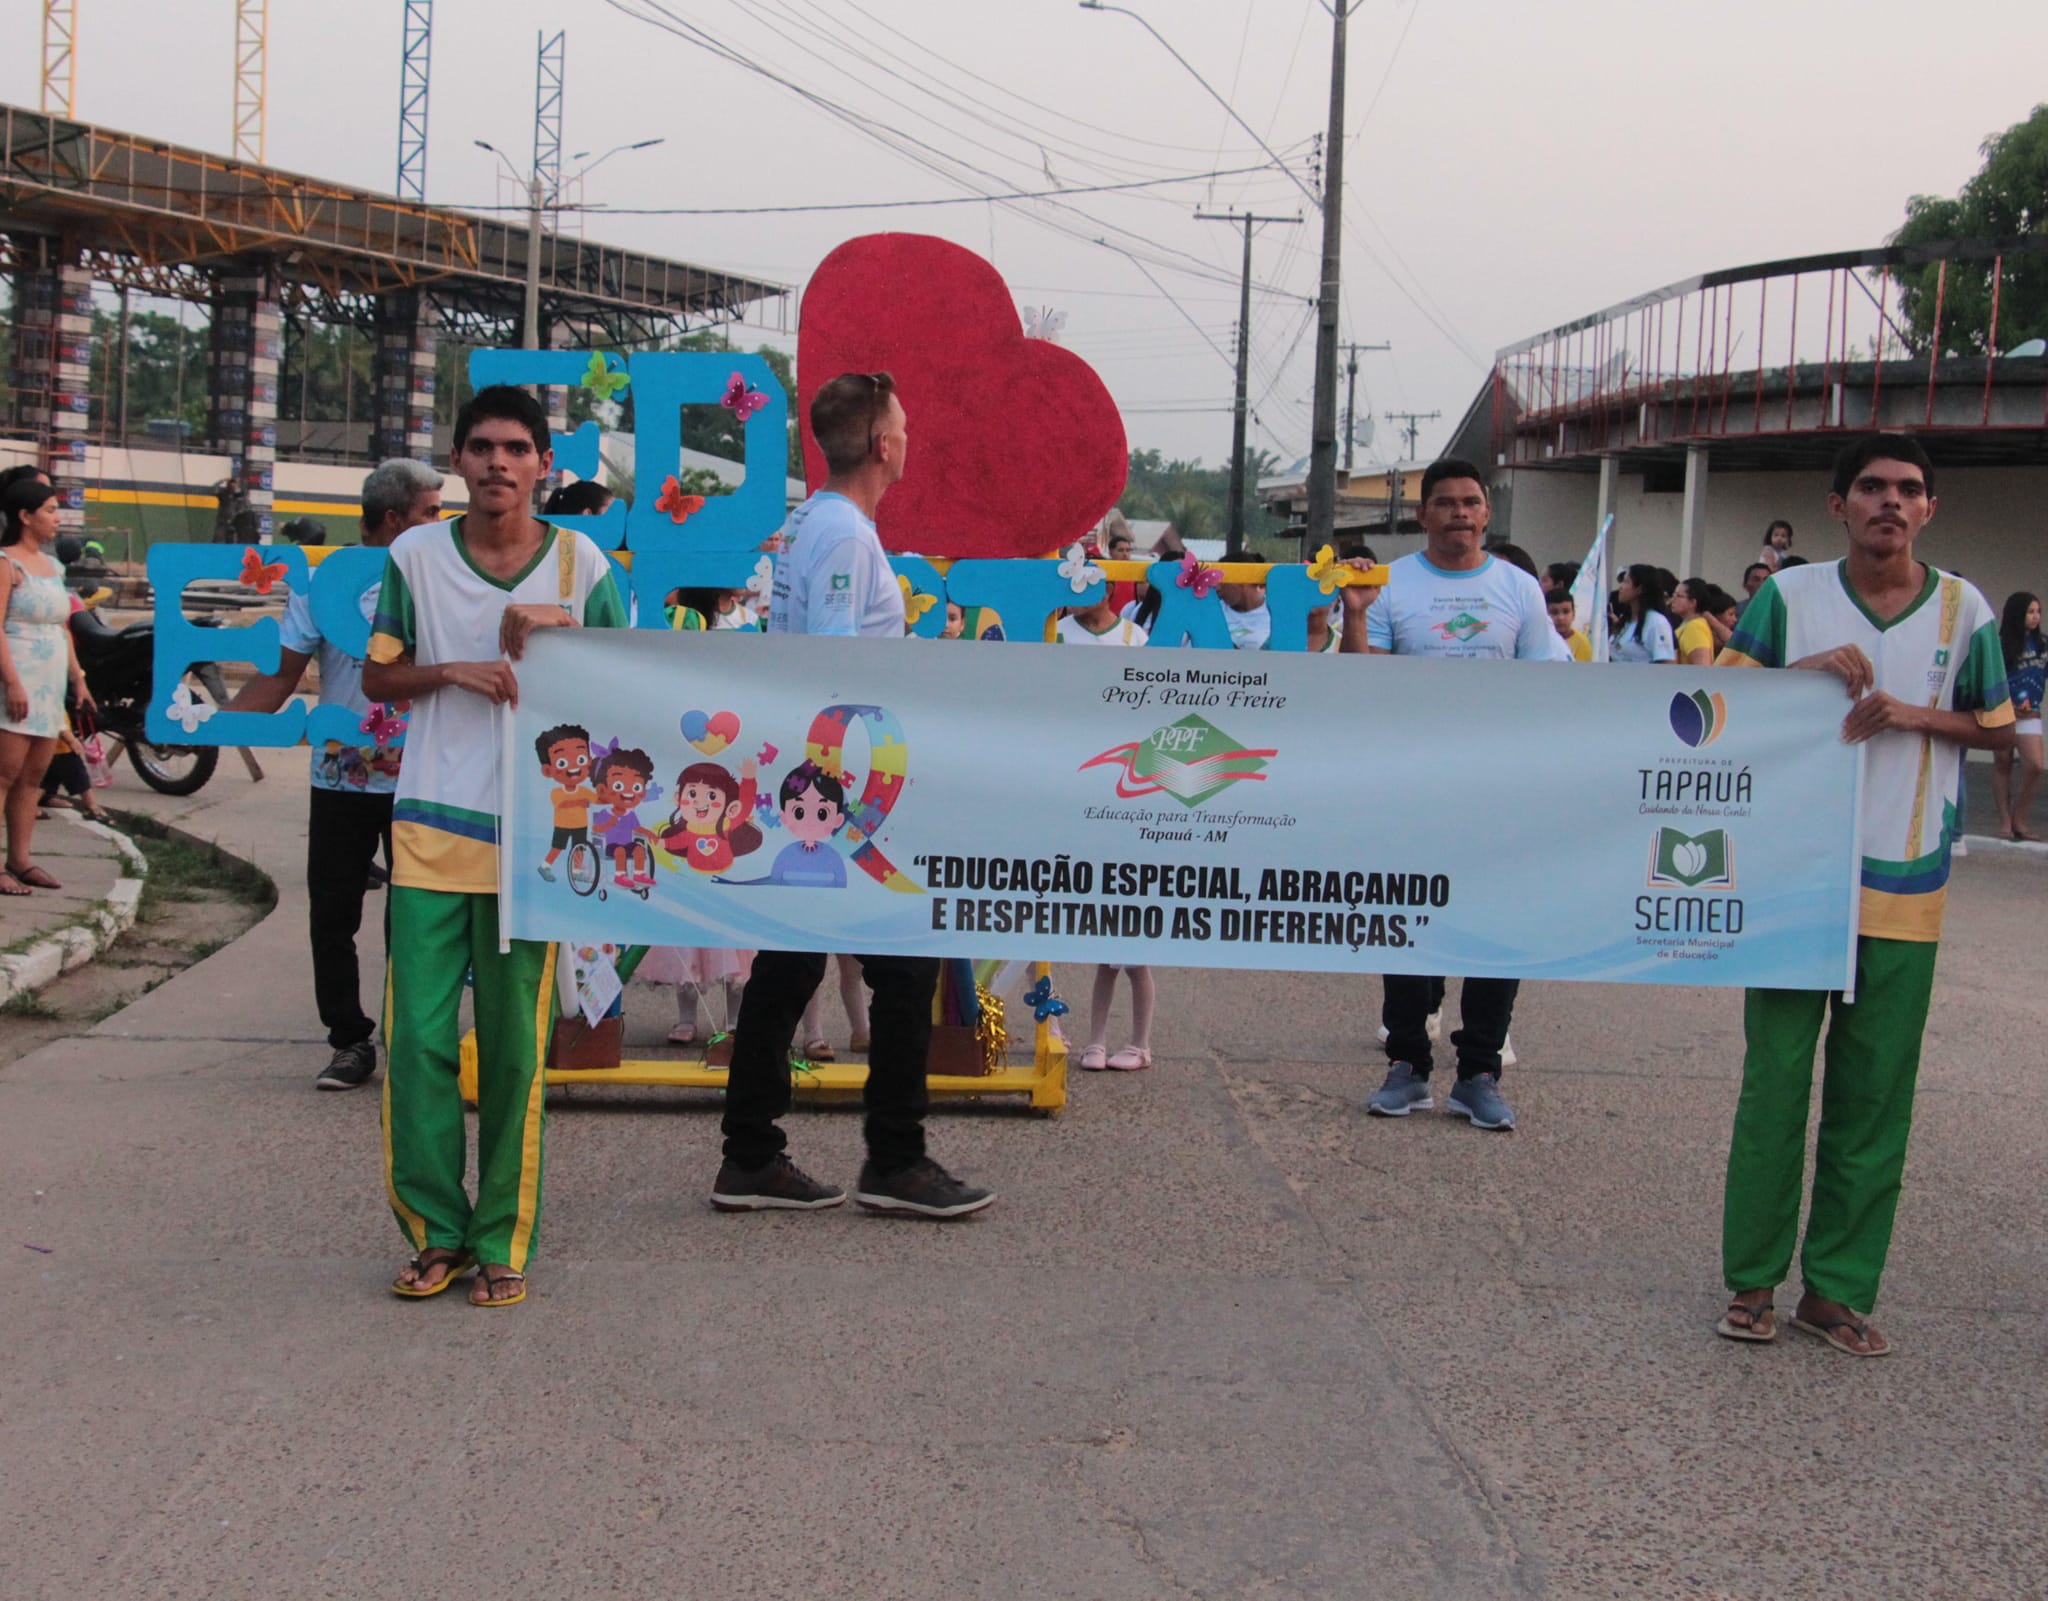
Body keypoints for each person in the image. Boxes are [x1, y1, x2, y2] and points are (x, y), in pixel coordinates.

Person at [1712, 434, 2012, 1357]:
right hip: (1794, 882)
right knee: (1775, 1085)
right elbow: (1713, 709)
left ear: (1931, 508)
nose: (1891, 501)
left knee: (1875, 1093)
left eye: (1909, 489)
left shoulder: (1967, 611)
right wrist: (1803, 680)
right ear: (1838, 504)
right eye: (1873, 487)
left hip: (1907, 877)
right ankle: (1753, 1282)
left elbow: (2002, 735)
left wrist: (1913, 712)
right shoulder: (1787, 596)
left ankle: (1834, 1291)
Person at [362, 386, 627, 1307]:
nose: (498, 464)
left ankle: (502, 1239)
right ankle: (437, 1233)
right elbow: (377, 673)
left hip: (538, 846)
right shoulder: (415, 555)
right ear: (459, 460)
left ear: (544, 464)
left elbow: (630, 685)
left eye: (517, 448)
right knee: (418, 1041)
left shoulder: (583, 560)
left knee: (516, 1051)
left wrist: (561, 628)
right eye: (481, 448)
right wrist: (452, 671)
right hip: (434, 827)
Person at [714, 371, 995, 1219]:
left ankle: (755, 1152)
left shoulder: (818, 524)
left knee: (792, 967)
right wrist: (844, 812)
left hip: (827, 783)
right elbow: (835, 670)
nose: (909, 438)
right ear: (880, 444)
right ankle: (892, 1158)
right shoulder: (843, 536)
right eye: (902, 426)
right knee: (902, 970)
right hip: (842, 787)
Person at [1345, 458, 1560, 1132]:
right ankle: (1407, 1064)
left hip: (1499, 789)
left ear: (1488, 512)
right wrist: (1354, 619)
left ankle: (1479, 1072)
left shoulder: (1519, 589)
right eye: (1445, 503)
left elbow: (1548, 685)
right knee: (1409, 923)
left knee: (1497, 927)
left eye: (1471, 502)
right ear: (1422, 514)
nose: (1459, 514)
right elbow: (1362, 681)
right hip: (1411, 788)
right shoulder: (1389, 585)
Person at [224, 459, 444, 1089]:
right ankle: (349, 1040)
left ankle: (413, 1041)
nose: (441, 524)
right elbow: (280, 676)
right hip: (342, 779)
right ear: (395, 520)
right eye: (430, 512)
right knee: (333, 917)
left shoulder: (443, 579)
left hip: (422, 778)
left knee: (419, 915)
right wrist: (210, 727)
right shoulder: (320, 585)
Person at [0, 481, 93, 896]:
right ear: (25, 516)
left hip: (49, 685)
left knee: (33, 777)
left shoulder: (54, 567)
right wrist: (12, 682)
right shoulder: (6, 563)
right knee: (4, 773)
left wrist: (78, 678)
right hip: (17, 681)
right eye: (51, 510)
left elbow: (62, 627)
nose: (58, 518)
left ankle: (20, 860)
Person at [1992, 591, 2045, 840]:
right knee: (2002, 764)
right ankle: (2005, 821)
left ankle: (2019, 818)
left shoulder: (2043, 645)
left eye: (2038, 612)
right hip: (2003, 713)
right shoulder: (2000, 645)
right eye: (2030, 612)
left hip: (2030, 714)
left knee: (2035, 765)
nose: (2035, 617)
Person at [1610, 564, 1676, 663]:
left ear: (1640, 589)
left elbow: (1666, 664)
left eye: (1626, 581)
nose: (1620, 587)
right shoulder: (1625, 621)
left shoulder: (1656, 622)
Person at [1217, 547, 1271, 651]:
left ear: (1242, 579)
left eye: (1222, 580)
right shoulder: (1212, 612)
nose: (1217, 587)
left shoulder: (1278, 612)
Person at [1670, 577, 1732, 667]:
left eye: (1679, 596)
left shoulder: (1695, 627)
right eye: (1673, 595)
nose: (1673, 600)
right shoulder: (1689, 625)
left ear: (1693, 602)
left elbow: (1702, 666)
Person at [1545, 586, 1593, 661]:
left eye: (1566, 611)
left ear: (1574, 614)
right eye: (1554, 612)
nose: (1561, 618)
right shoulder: (1540, 641)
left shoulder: (1582, 643)